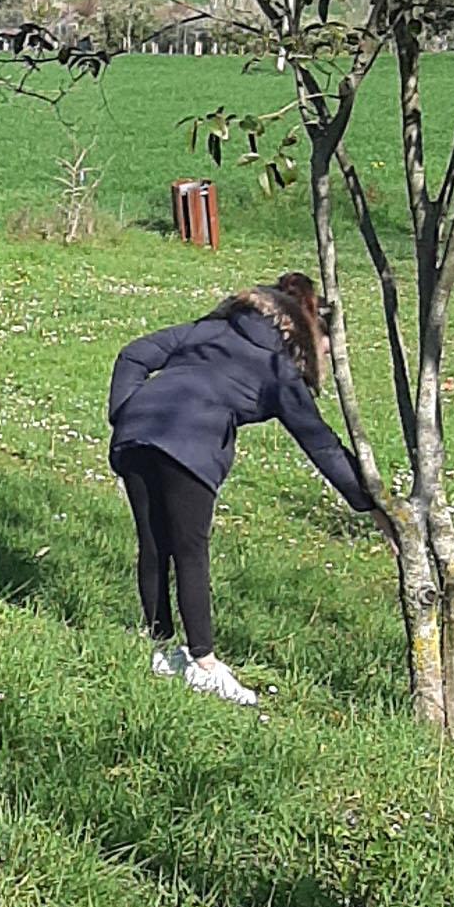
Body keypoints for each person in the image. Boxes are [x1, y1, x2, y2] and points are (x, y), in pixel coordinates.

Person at [108, 272, 376, 708]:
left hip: (139, 430)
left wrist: (124, 414)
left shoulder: (212, 329)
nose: (325, 359)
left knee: (155, 544)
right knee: (191, 550)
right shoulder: (280, 370)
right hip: (190, 442)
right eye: (326, 349)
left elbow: (133, 355)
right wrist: (369, 502)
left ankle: (158, 649)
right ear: (311, 336)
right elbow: (320, 443)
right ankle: (204, 665)